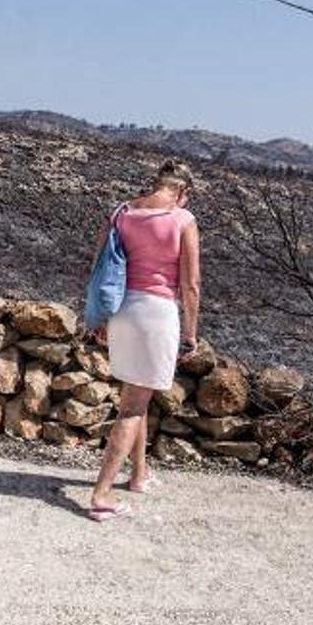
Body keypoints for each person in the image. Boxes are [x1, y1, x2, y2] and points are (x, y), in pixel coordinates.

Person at [87, 159, 202, 520]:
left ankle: (139, 474)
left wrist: (101, 315)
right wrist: (191, 333)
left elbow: (99, 265)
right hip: (157, 314)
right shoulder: (183, 220)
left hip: (122, 311)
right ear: (183, 192)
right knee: (133, 406)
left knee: (137, 394)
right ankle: (101, 495)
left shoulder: (121, 212)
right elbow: (190, 284)